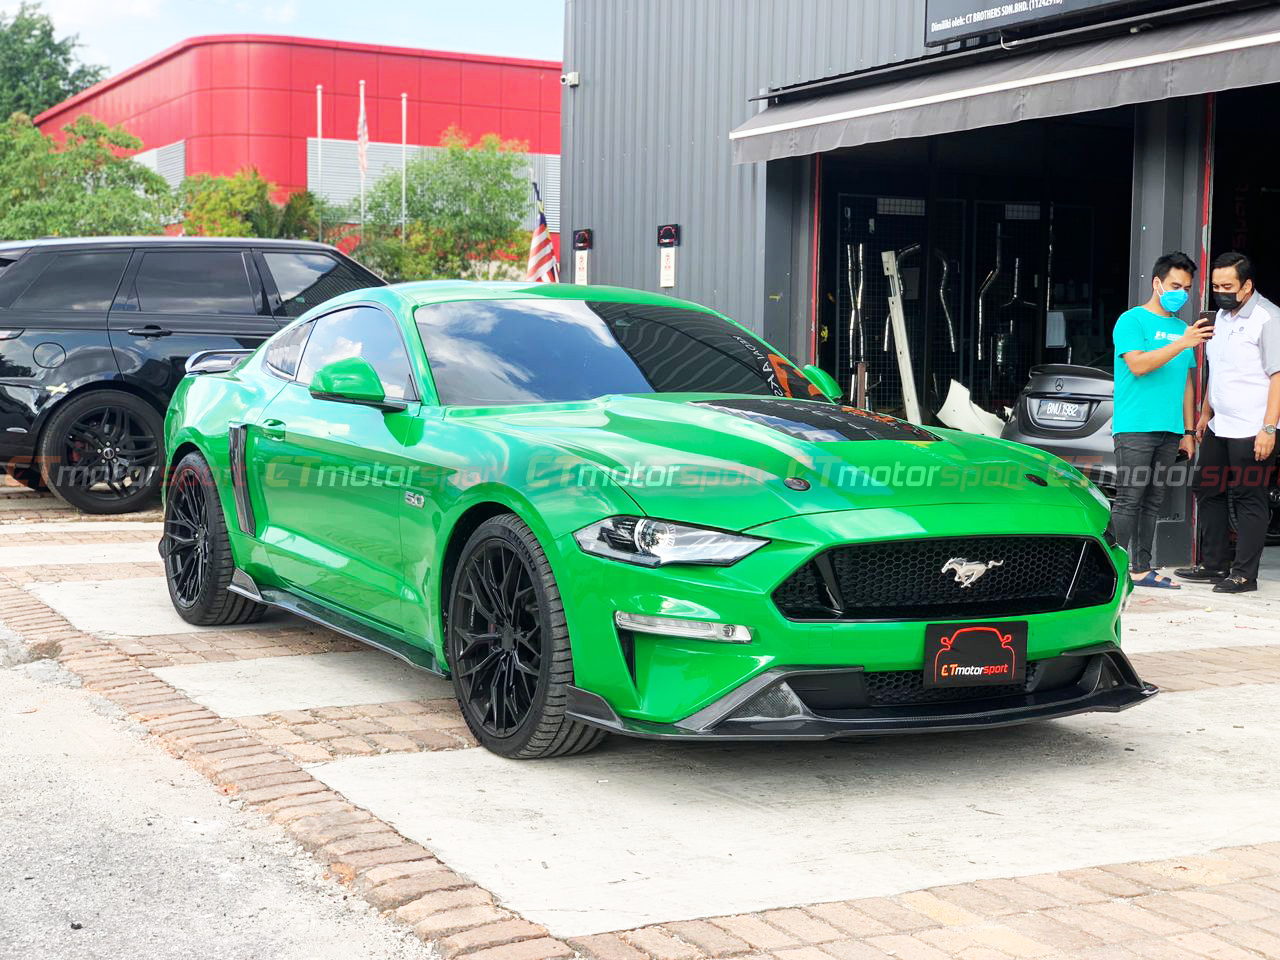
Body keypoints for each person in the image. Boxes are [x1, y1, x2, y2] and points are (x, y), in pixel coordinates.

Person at [1176, 252, 1280, 594]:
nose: (1220, 292)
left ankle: (1244, 575)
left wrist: (1269, 428)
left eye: (1227, 286)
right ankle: (1214, 563)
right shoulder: (1219, 318)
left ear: (1247, 286)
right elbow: (1217, 370)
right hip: (1220, 426)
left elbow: (1278, 376)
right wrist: (1206, 413)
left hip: (1254, 428)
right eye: (1216, 286)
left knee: (1250, 497)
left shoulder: (1268, 318)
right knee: (1207, 488)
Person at [1110, 252, 1212, 589]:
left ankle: (1141, 569)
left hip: (1170, 430)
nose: (1181, 293)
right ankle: (1111, 571)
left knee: (1153, 501)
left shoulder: (1183, 329)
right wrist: (1182, 343)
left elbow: (1186, 383)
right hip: (1135, 427)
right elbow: (1138, 365)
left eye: (1187, 288)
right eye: (1175, 286)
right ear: (1157, 283)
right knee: (1130, 499)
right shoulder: (1132, 321)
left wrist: (1188, 431)